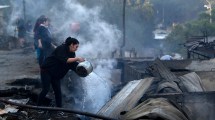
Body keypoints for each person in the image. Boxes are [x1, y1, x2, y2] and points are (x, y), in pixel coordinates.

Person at [37, 37, 85, 109]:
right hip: (47, 70)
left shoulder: (72, 53)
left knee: (58, 91)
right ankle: (38, 106)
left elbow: (72, 64)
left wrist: (81, 70)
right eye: (76, 46)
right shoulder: (61, 48)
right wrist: (77, 58)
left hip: (56, 73)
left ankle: (59, 108)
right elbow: (65, 60)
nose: (77, 48)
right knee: (46, 89)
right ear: (72, 44)